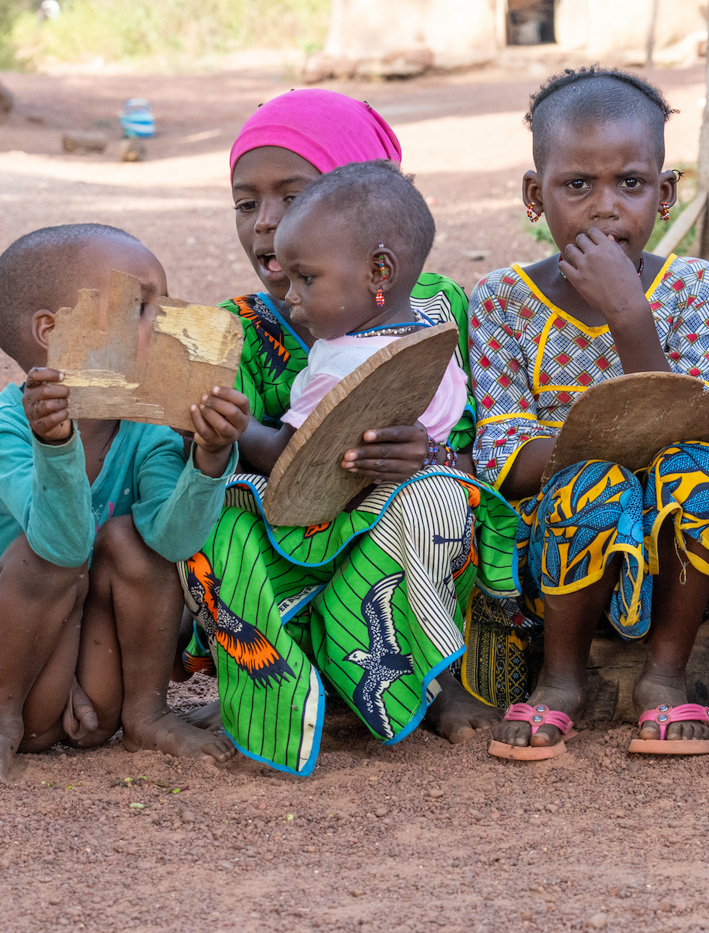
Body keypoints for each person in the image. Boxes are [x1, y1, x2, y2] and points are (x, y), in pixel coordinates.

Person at [187, 90, 511, 778]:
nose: (267, 227)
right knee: (211, 521)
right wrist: (215, 439)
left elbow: (484, 436)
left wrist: (430, 453)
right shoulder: (235, 330)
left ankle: (432, 677)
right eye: (247, 204)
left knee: (439, 497)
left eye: (294, 196)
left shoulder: (440, 309)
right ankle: (268, 683)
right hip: (290, 528)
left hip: (394, 521)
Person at [473, 67, 709, 759]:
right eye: (577, 186)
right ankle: (562, 676)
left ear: (665, 193)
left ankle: (666, 673)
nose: (605, 208)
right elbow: (503, 458)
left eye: (629, 184)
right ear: (536, 197)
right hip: (556, 555)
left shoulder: (693, 287)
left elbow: (700, 428)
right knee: (592, 484)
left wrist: (631, 315)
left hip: (678, 560)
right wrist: (612, 453)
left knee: (704, 475)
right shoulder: (502, 301)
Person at [0, 224, 246, 783]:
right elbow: (62, 543)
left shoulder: (147, 430)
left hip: (95, 672)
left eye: (165, 306)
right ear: (54, 333)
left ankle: (146, 713)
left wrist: (208, 459)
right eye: (142, 307)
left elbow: (175, 541)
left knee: (134, 539)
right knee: (49, 552)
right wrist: (55, 445)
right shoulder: (0, 427)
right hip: (8, 675)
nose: (166, 324)